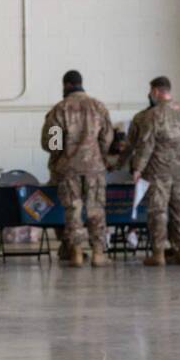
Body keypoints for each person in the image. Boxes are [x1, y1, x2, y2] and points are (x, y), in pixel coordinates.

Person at [40, 69, 112, 267]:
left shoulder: (59, 109)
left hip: (68, 169)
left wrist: (60, 158)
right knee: (95, 209)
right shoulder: (98, 107)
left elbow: (52, 144)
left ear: (66, 85)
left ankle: (77, 253)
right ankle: (98, 253)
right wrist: (100, 156)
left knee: (73, 209)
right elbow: (107, 139)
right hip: (94, 168)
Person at [130, 76, 180, 266]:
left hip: (158, 170)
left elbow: (146, 144)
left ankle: (158, 254)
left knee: (158, 211)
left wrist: (137, 168)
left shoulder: (153, 114)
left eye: (151, 91)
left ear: (156, 91)